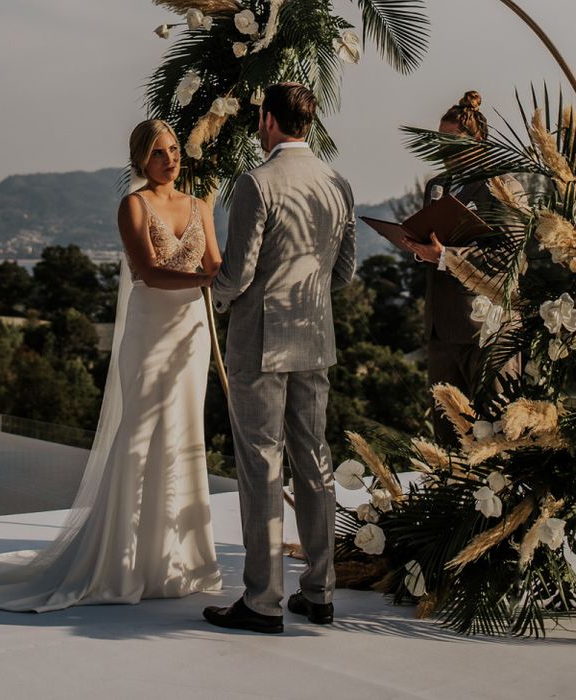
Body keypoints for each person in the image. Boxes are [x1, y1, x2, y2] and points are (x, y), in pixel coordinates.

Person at [0, 119, 223, 611]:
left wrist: (228, 275)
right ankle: (119, 561)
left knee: (183, 434)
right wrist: (205, 280)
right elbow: (151, 274)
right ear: (141, 160)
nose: (170, 159)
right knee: (140, 435)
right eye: (159, 153)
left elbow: (216, 266)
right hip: (151, 330)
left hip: (191, 335)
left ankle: (176, 560)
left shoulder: (201, 205)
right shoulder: (133, 206)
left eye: (174, 149)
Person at [203, 83, 357, 634]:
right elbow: (344, 273)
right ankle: (319, 592)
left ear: (268, 120)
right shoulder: (337, 183)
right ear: (308, 123)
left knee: (261, 467)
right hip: (315, 339)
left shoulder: (255, 182)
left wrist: (210, 294)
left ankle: (263, 600)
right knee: (313, 461)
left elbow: (238, 273)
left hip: (260, 343)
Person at [403, 91, 523, 446]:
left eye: (451, 141)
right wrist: (416, 246)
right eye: (438, 140)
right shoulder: (436, 187)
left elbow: (508, 256)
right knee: (449, 441)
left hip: (486, 331)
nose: (442, 148)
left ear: (478, 141)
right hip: (441, 330)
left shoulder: (502, 187)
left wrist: (445, 256)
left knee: (495, 437)